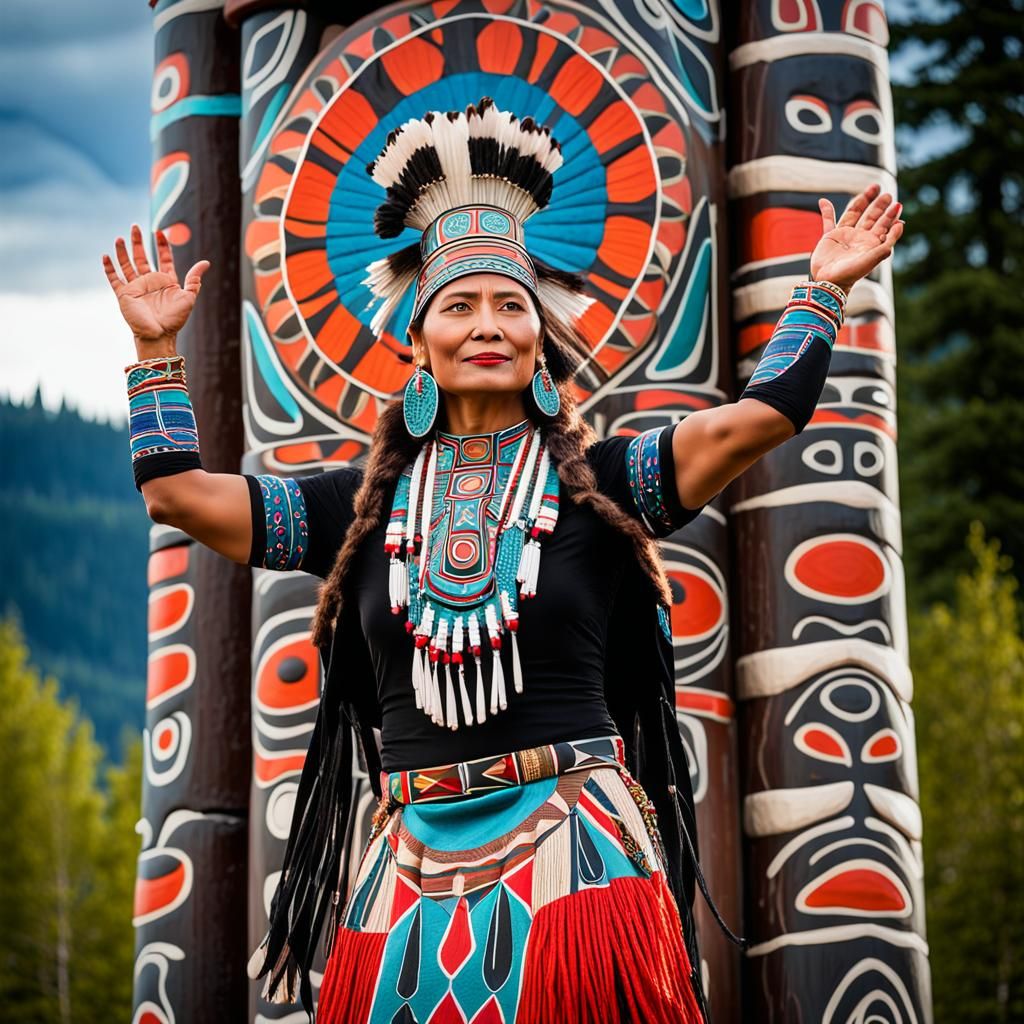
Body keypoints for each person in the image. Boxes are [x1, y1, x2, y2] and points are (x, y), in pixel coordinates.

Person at [103, 98, 903, 1024]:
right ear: (419, 341)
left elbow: (762, 417)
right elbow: (177, 495)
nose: (487, 324)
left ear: (538, 342)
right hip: (407, 868)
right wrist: (155, 348)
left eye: (510, 305)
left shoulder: (607, 487)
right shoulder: (358, 512)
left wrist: (821, 292)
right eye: (459, 305)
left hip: (579, 856)